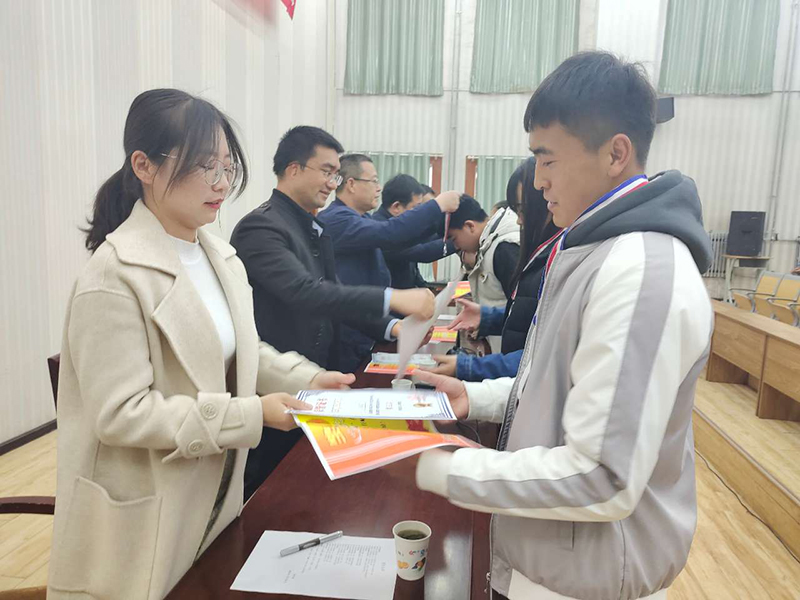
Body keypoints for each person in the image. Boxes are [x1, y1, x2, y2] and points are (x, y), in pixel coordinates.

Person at [414, 52, 714, 600]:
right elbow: (560, 385)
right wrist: (475, 398)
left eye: (547, 159)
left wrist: (439, 470)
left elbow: (602, 477)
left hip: (588, 579)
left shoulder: (640, 271)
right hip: (557, 559)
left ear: (615, 153)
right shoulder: (595, 249)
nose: (538, 180)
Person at [48, 90, 353, 600]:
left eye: (227, 167)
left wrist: (309, 378)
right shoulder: (114, 275)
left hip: (215, 494)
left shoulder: (219, 256)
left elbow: (242, 350)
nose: (221, 183)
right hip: (148, 515)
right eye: (203, 165)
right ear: (143, 166)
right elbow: (122, 414)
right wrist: (250, 414)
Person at [230, 128, 435, 497]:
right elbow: (306, 293)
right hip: (278, 382)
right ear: (293, 169)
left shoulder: (313, 226)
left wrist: (392, 328)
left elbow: (335, 297)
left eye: (336, 175)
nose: (332, 183)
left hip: (318, 377)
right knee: (274, 486)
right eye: (326, 172)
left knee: (314, 484)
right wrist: (392, 298)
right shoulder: (260, 227)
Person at [316, 158, 460, 372]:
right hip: (347, 336)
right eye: (373, 181)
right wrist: (437, 206)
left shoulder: (361, 218)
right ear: (351, 184)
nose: (379, 188)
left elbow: (404, 240)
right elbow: (391, 234)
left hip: (366, 328)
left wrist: (451, 234)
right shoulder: (337, 219)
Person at [427, 157, 562, 380]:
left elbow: (539, 351)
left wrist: (471, 367)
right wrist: (488, 317)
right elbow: (528, 314)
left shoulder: (505, 249)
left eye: (522, 210)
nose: (519, 221)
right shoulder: (501, 245)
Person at [447, 194, 521, 351]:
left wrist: (485, 318)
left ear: (470, 226)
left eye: (454, 239)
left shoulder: (504, 248)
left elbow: (522, 312)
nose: (456, 246)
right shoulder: (489, 245)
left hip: (512, 354)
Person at [372, 174, 457, 289]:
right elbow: (422, 252)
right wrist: (458, 242)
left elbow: (425, 240)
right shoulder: (380, 230)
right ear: (396, 207)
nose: (419, 214)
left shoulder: (402, 229)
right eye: (416, 208)